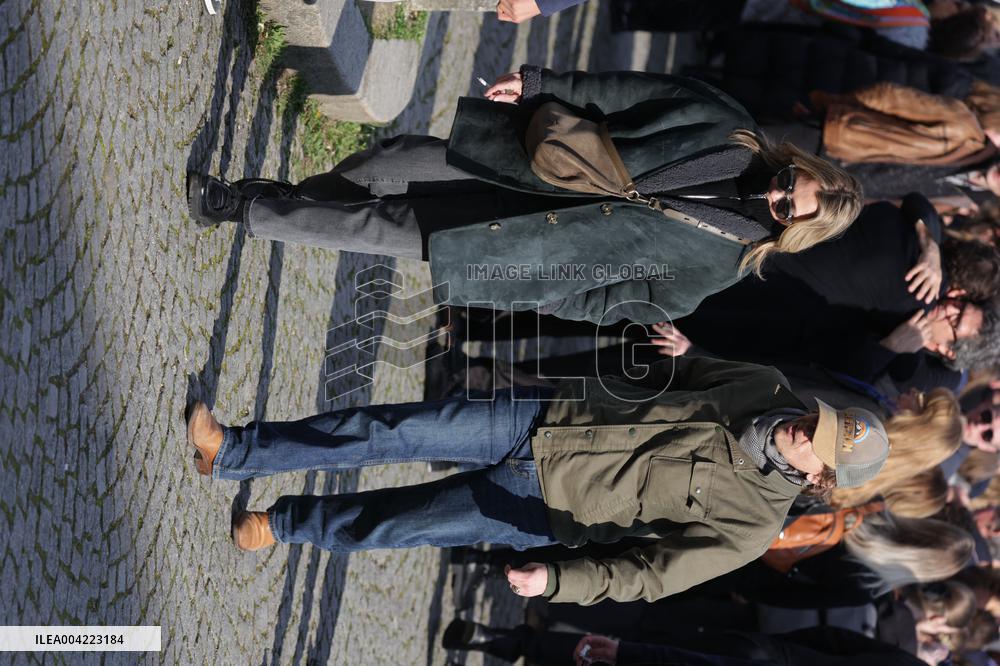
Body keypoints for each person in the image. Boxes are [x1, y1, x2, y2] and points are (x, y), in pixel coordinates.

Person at [185, 356, 889, 604]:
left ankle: (284, 525)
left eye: (816, 443)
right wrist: (676, 353)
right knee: (388, 429)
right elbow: (694, 373)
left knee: (402, 522)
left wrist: (557, 582)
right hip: (549, 418)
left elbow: (648, 574)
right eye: (818, 419)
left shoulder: (753, 526)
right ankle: (235, 451)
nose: (804, 427)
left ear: (821, 477)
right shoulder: (766, 385)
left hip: (543, 506)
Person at [187, 68, 862, 324]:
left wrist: (549, 289)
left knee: (378, 230)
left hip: (522, 250)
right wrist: (540, 83)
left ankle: (242, 209)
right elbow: (628, 92)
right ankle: (289, 197)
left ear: (792, 232)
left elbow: (614, 305)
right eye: (786, 182)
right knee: (389, 162)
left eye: (784, 209)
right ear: (794, 162)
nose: (773, 195)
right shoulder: (729, 126)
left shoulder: (722, 264)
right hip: (523, 164)